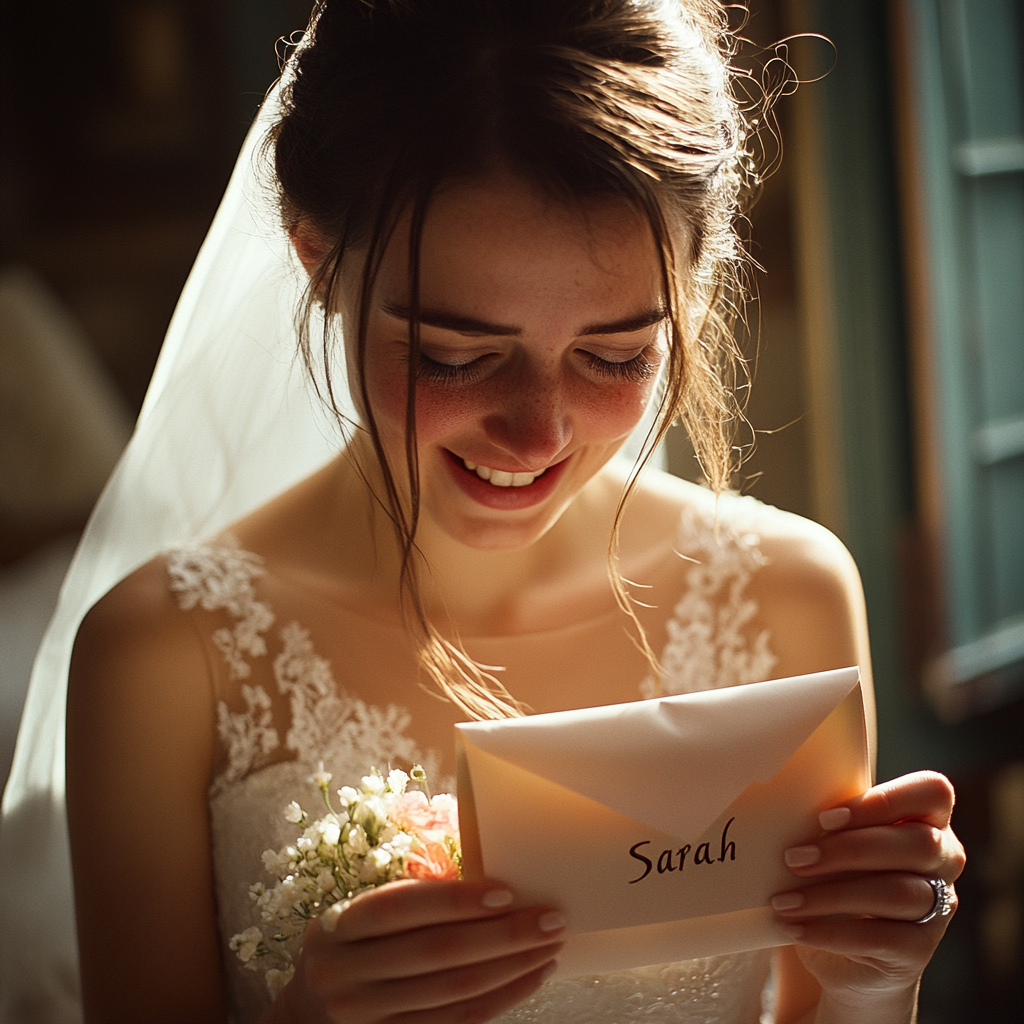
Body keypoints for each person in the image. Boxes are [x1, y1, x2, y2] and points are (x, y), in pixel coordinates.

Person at [0, 2, 963, 1022]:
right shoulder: (162, 653)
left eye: (616, 355)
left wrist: (873, 978)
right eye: (454, 356)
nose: (535, 432)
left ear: (691, 287)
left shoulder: (787, 595)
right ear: (317, 256)